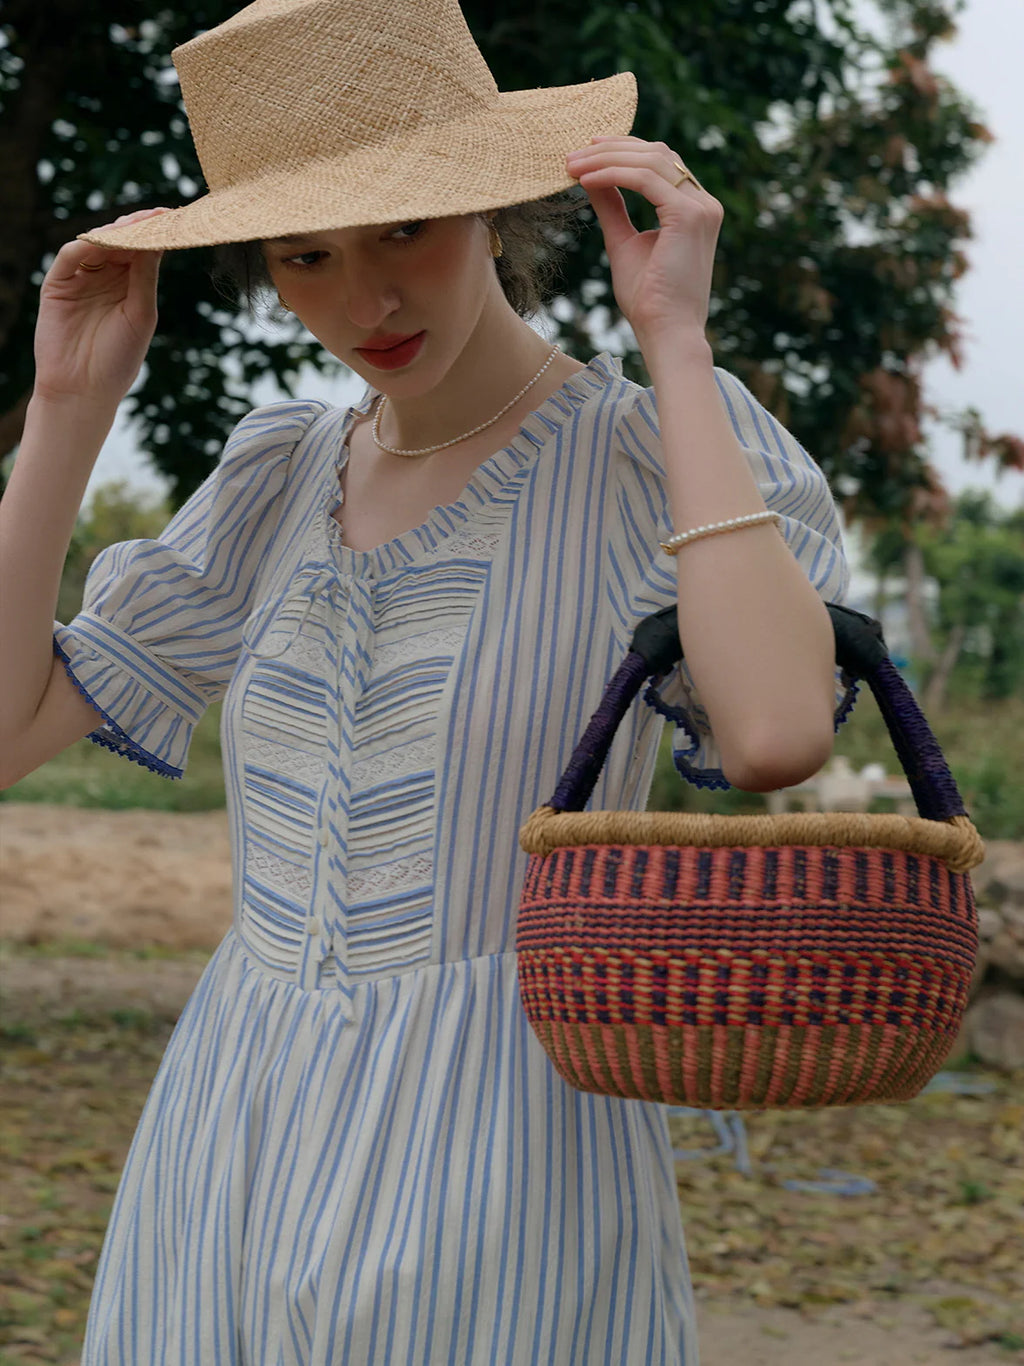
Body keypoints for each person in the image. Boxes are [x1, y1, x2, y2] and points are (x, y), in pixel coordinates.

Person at [0, 0, 854, 1360]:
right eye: (309, 256)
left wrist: (677, 340)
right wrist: (65, 414)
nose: (366, 302)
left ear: (498, 207)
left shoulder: (649, 456)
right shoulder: (274, 478)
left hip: (509, 1139)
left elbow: (773, 730)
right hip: (231, 1129)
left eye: (407, 227)